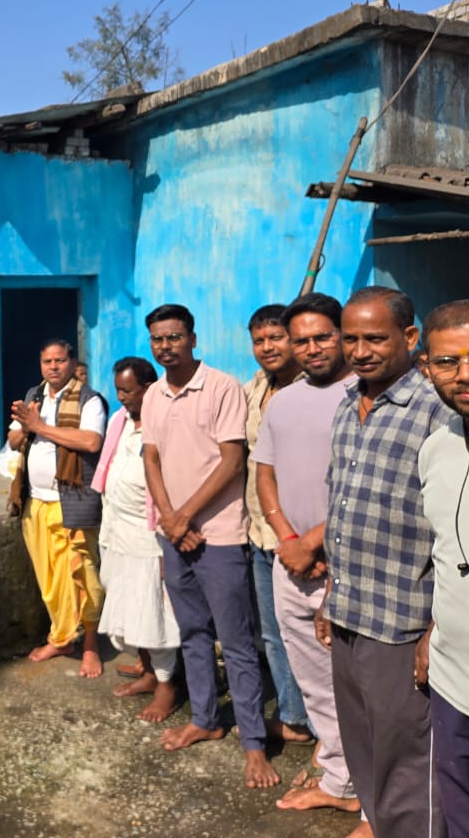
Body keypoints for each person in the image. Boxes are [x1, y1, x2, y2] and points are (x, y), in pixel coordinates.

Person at [317, 286, 452, 838]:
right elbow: (341, 508)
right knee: (363, 742)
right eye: (350, 338)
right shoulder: (349, 406)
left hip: (403, 620)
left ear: (409, 337)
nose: (361, 350)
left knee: (410, 757)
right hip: (351, 611)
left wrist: (436, 628)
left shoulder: (437, 410)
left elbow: (455, 529)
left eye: (376, 338)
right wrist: (331, 597)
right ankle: (378, 823)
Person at [140, 303, 278, 789]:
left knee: (237, 642)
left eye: (174, 337)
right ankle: (205, 718)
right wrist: (170, 520)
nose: (166, 346)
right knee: (193, 632)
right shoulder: (154, 394)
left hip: (218, 535)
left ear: (193, 339)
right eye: (158, 339)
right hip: (175, 535)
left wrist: (185, 517)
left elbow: (231, 463)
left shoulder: (220, 387)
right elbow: (151, 458)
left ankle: (255, 745)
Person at [253, 293, 366, 830]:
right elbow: (265, 474)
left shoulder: (363, 396)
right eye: (302, 340)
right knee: (314, 681)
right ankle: (340, 778)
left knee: (362, 686)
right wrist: (287, 537)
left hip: (346, 566)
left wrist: (314, 542)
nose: (312, 348)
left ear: (344, 334)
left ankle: (374, 792)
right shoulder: (283, 400)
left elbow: (366, 490)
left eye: (323, 336)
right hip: (291, 561)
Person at [417, 299, 469, 837]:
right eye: (447, 362)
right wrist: (433, 630)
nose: (466, 375)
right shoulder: (436, 448)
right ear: (426, 367)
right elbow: (451, 554)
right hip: (455, 689)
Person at [7, 338, 108, 676]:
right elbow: (14, 440)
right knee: (49, 579)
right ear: (41, 365)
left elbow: (92, 441)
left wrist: (41, 427)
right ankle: (62, 637)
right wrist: (24, 427)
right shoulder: (34, 395)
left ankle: (91, 645)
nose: (53, 367)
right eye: (47, 361)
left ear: (71, 362)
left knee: (84, 578)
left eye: (60, 361)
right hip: (36, 500)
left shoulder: (89, 400)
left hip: (73, 501)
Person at [93, 356, 180, 722]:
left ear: (149, 388)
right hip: (116, 531)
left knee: (154, 615)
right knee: (126, 609)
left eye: (128, 391)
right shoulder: (119, 422)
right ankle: (146, 671)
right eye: (118, 390)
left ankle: (167, 687)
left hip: (149, 536)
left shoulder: (163, 424)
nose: (122, 397)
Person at [242, 304, 313, 747]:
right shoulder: (254, 389)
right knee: (273, 632)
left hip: (301, 535)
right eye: (259, 340)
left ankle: (321, 724)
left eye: (276, 338)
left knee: (308, 634)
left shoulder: (318, 390)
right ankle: (293, 717)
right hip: (259, 532)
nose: (267, 348)